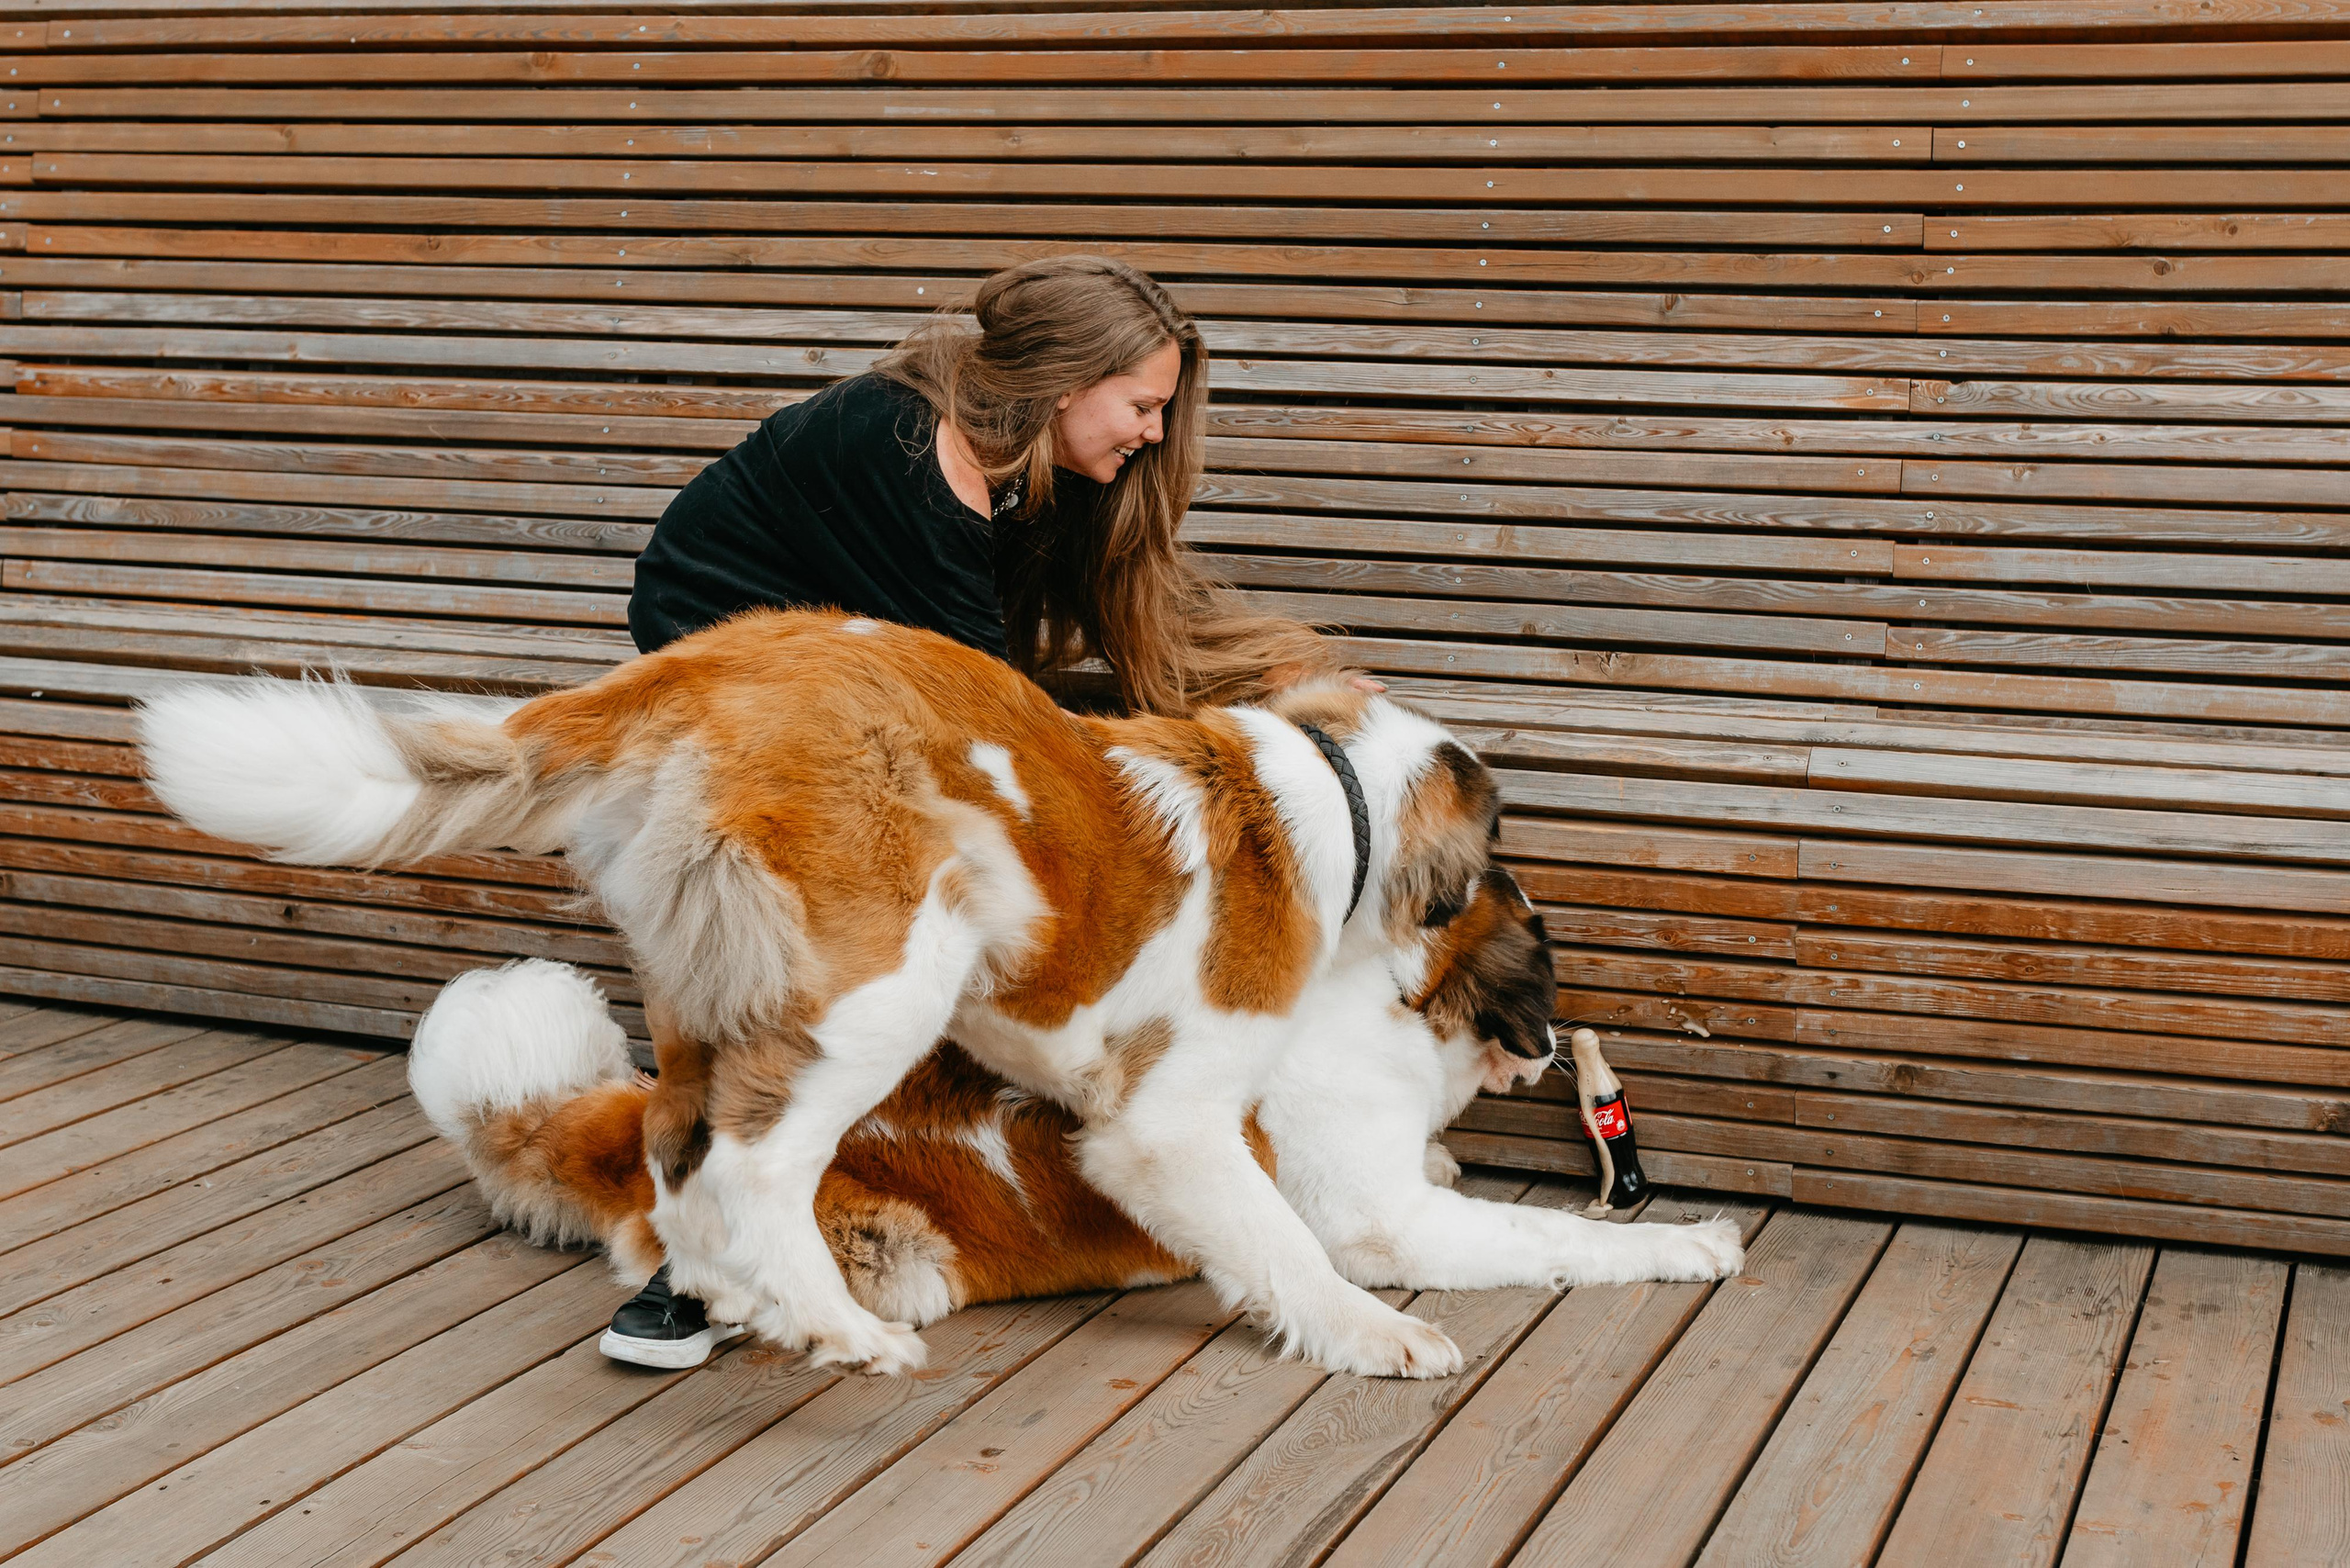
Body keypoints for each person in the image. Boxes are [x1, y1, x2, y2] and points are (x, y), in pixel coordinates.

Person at [604, 255, 1353, 1367]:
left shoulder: (1040, 474)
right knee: (757, 981)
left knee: (905, 950)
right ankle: (693, 1253)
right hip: (727, 713)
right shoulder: (896, 451)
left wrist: (1293, 682)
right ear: (1065, 386)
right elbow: (985, 716)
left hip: (863, 687)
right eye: (1142, 405)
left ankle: (932, 1163)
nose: (1152, 431)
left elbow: (1103, 638)